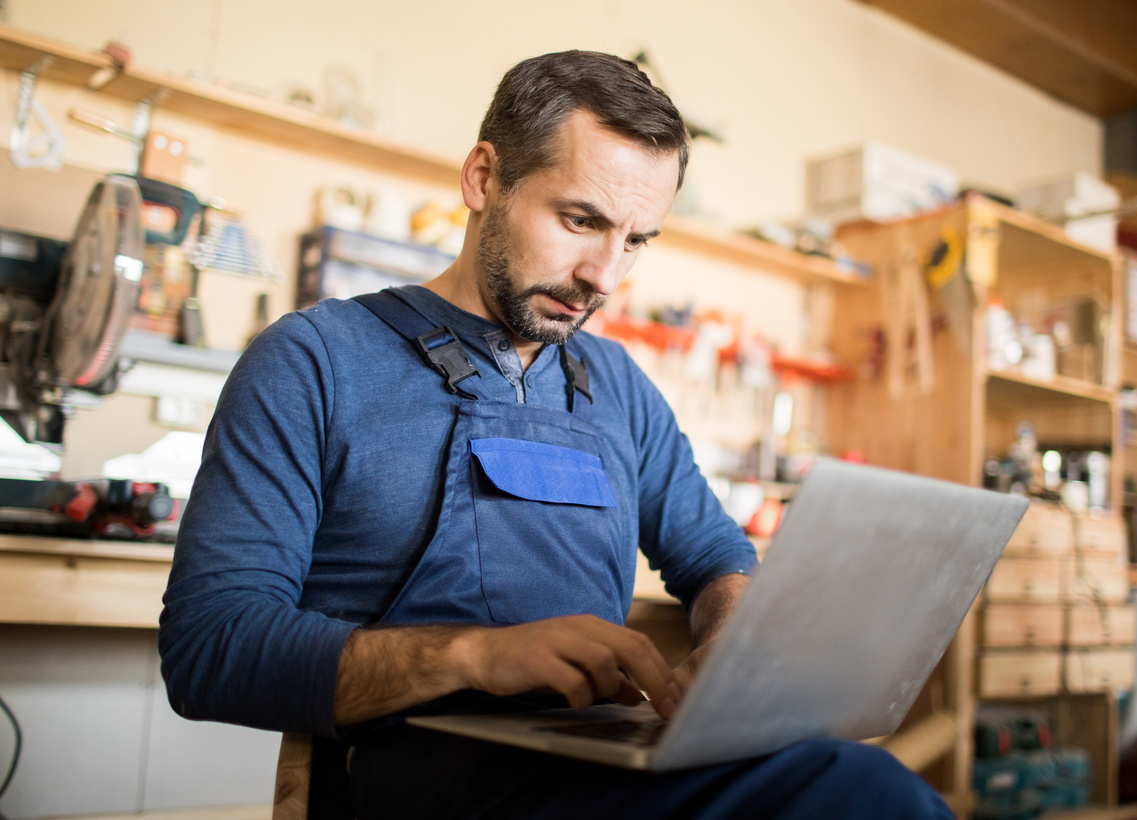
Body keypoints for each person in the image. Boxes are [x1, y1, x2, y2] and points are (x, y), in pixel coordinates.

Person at [159, 50, 952, 818]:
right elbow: (211, 649)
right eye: (581, 220)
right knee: (861, 795)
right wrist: (474, 654)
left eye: (636, 240)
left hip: (595, 760)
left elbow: (715, 559)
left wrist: (734, 642)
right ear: (483, 178)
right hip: (415, 782)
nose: (603, 276)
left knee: (849, 781)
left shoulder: (615, 385)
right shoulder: (314, 360)